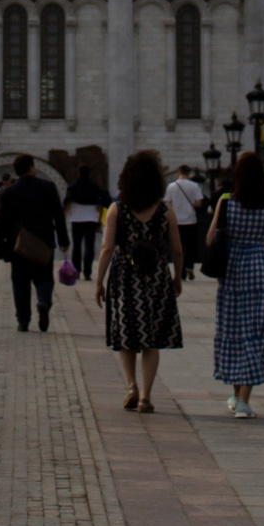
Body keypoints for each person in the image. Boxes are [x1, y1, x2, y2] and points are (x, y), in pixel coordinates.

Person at [98, 147, 184, 412]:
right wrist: (177, 277)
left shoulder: (117, 209)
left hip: (125, 277)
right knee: (152, 338)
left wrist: (98, 280)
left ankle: (131, 385)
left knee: (127, 335)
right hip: (156, 276)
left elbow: (107, 248)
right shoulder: (165, 210)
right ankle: (146, 396)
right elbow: (177, 249)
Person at [207, 149, 264, 419]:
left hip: (232, 271)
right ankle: (243, 399)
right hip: (258, 270)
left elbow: (211, 238)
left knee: (233, 331)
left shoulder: (226, 202)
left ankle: (237, 397)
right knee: (256, 331)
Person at [0, 155, 69, 332]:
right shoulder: (48, 187)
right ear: (31, 168)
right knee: (44, 278)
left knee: (20, 282)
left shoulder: (9, 192)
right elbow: (58, 215)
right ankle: (43, 301)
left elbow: (1, 222)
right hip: (43, 242)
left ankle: (23, 320)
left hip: (19, 245)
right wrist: (63, 240)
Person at [64, 166, 110, 280]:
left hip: (76, 218)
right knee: (89, 246)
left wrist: (64, 216)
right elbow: (100, 204)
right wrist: (99, 220)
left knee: (77, 246)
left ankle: (77, 270)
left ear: (79, 173)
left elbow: (68, 202)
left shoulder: (73, 186)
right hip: (91, 218)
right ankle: (88, 272)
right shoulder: (95, 186)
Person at [164, 164, 205, 236]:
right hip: (191, 220)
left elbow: (167, 203)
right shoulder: (195, 185)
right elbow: (199, 204)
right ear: (188, 173)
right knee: (190, 246)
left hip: (176, 221)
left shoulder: (171, 186)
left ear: (178, 173)